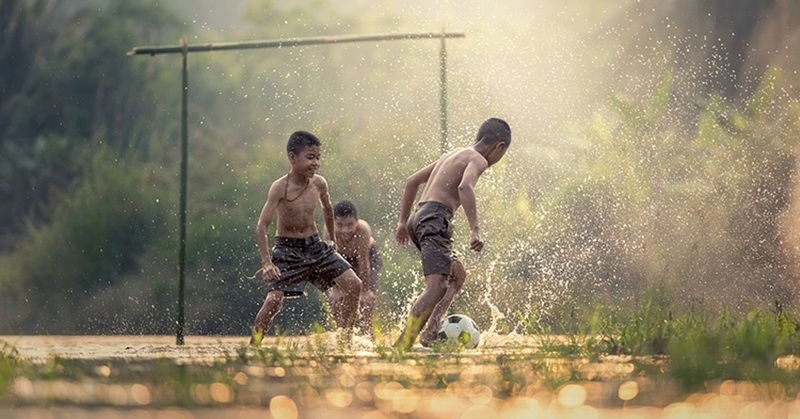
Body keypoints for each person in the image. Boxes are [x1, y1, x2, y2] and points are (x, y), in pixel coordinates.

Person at [393, 117, 511, 351]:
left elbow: (411, 182)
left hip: (420, 217)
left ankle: (429, 333)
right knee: (435, 287)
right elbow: (464, 187)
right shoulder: (478, 159)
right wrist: (475, 230)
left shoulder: (455, 154)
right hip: (436, 218)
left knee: (457, 275)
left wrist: (403, 222)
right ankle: (401, 347)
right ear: (499, 146)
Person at [251, 130, 362, 346]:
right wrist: (267, 263)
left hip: (316, 246)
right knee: (274, 300)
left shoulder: (319, 183)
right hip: (287, 249)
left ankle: (345, 340)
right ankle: (253, 346)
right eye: (310, 157)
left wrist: (332, 243)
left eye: (318, 157)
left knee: (354, 284)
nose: (316, 163)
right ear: (293, 158)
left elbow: (328, 209)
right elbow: (261, 226)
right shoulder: (279, 188)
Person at [326, 200, 382, 336]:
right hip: (340, 259)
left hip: (368, 257)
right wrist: (336, 289)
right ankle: (342, 334)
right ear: (333, 223)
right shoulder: (329, 232)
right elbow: (330, 262)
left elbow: (363, 261)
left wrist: (365, 291)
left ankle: (368, 333)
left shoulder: (363, 230)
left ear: (357, 221)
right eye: (340, 225)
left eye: (350, 225)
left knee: (366, 300)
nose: (345, 230)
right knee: (336, 299)